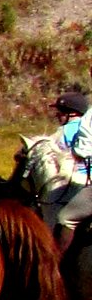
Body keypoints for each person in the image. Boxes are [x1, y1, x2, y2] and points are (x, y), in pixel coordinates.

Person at [48, 91, 92, 254]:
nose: (57, 115)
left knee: (65, 218)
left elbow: (81, 151)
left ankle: (54, 263)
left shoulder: (87, 119)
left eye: (60, 112)